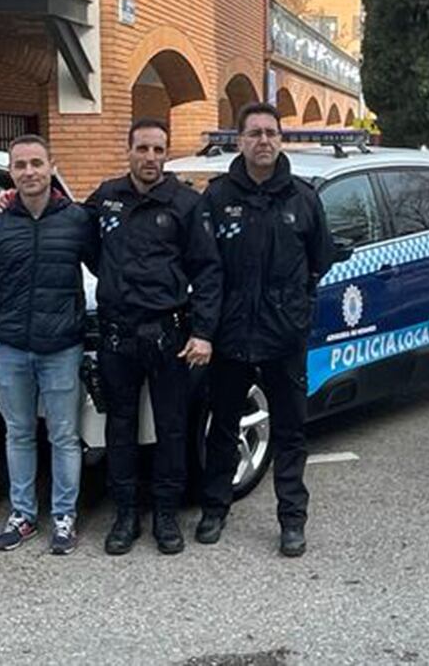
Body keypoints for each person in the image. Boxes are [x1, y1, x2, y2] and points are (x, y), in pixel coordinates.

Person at [197, 103, 334, 557]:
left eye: (271, 133)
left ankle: (292, 520)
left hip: (283, 339)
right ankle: (215, 509)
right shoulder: (216, 197)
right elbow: (205, 267)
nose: (263, 141)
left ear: (280, 139)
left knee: (292, 433)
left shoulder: (303, 198)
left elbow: (320, 263)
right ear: (240, 140)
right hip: (231, 337)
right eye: (254, 133)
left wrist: (299, 315)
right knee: (222, 431)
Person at [86, 118, 221, 556]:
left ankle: (165, 514)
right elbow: (83, 242)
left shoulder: (186, 203)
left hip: (170, 334)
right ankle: (125, 515)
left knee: (172, 429)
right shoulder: (106, 197)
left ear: (166, 154)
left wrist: (202, 332)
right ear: (128, 151)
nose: (150, 158)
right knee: (120, 428)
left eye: (159, 150)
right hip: (117, 334)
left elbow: (207, 270)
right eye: (142, 149)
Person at [0, 134, 98, 555]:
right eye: (21, 165)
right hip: (10, 347)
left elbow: (106, 269)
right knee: (19, 434)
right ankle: (23, 515)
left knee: (64, 436)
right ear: (11, 172)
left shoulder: (78, 220)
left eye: (36, 163)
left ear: (51, 166)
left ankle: (64, 517)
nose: (29, 172)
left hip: (62, 346)